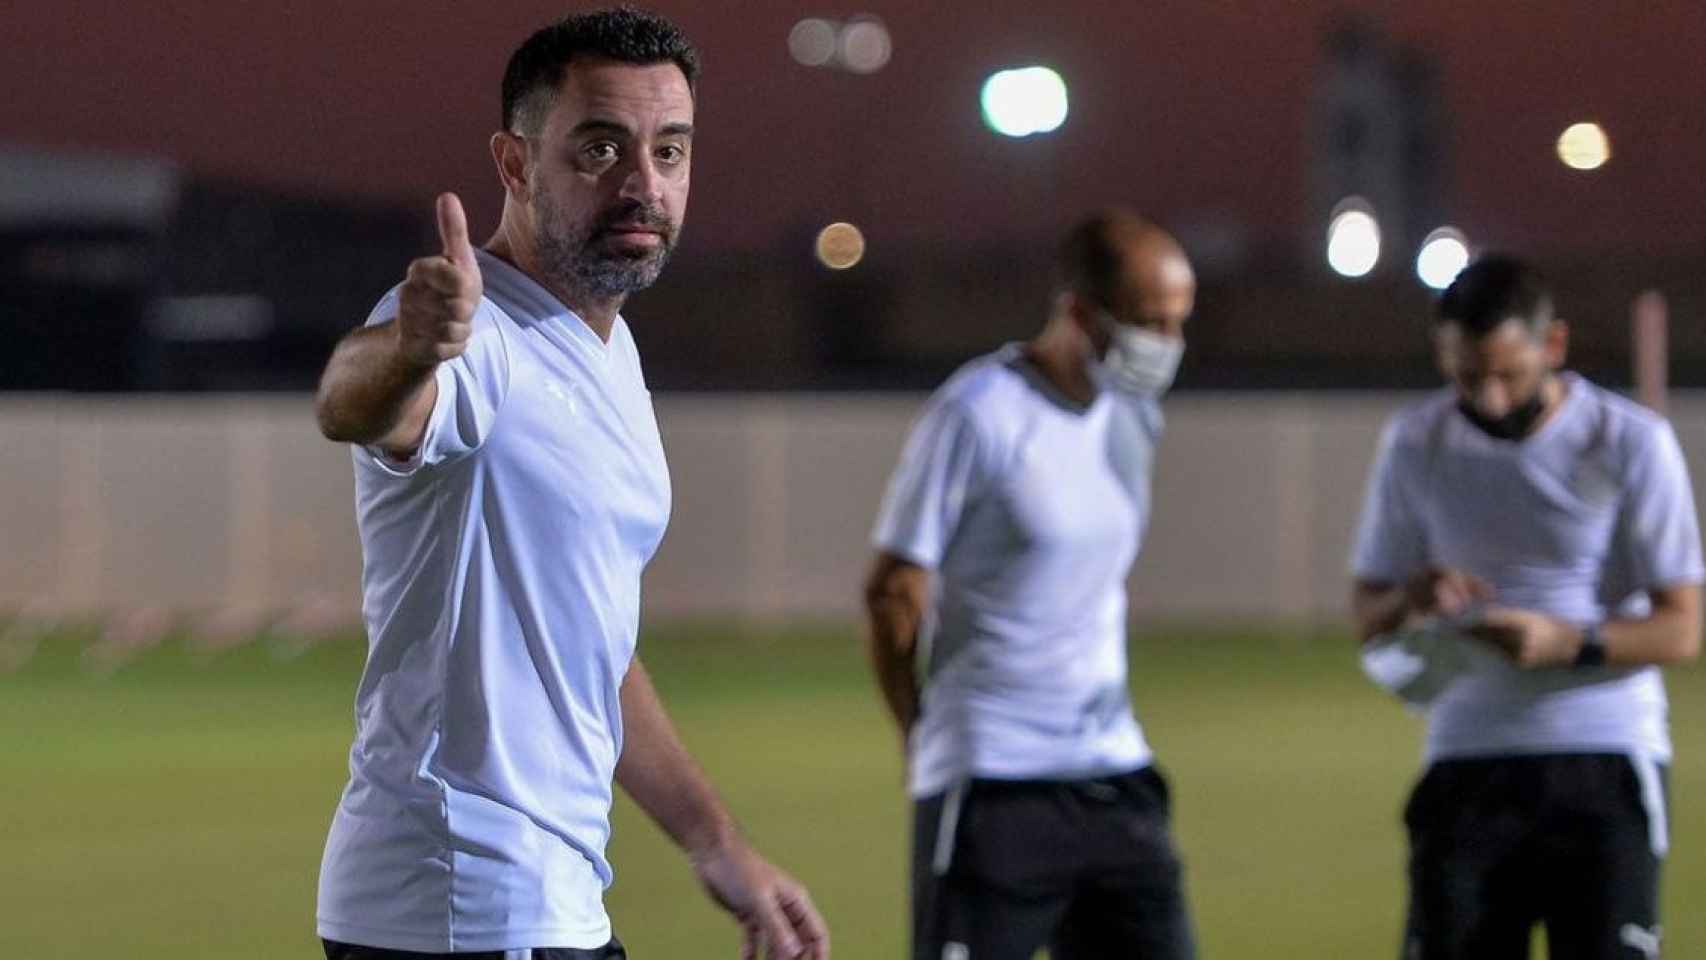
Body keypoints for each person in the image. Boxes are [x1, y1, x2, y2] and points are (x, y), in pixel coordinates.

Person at [311, 10, 828, 959]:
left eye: (670, 151)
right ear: (514, 165)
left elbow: (591, 648)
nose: (644, 184)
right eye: (600, 147)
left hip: (541, 904)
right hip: (461, 904)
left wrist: (717, 844)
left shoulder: (609, 348)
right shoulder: (481, 337)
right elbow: (357, 404)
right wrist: (409, 351)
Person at [862, 210, 1199, 960]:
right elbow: (891, 591)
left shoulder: (1132, 416)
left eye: (1180, 323)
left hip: (1115, 777)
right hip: (993, 783)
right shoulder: (978, 413)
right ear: (1080, 313)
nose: (1169, 346)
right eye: (1151, 323)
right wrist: (920, 732)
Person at [1349, 254, 1702, 959]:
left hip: (1603, 758)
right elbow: (1367, 611)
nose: (1487, 397)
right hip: (1466, 756)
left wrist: (1567, 643)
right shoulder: (1415, 441)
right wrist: (1414, 595)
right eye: (1465, 374)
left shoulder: (1629, 441)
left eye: (1507, 374)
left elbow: (1683, 627)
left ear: (1554, 346)